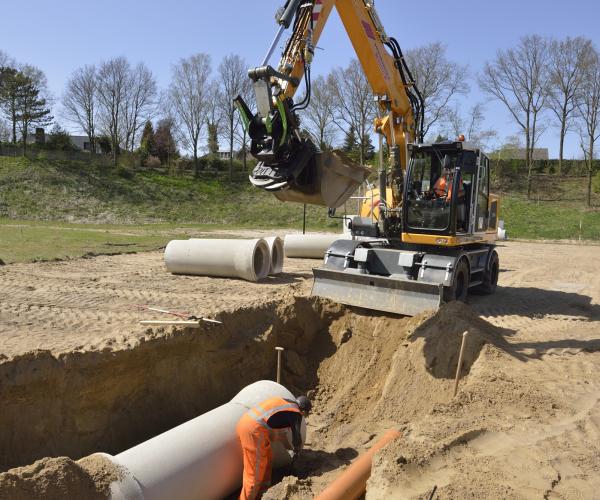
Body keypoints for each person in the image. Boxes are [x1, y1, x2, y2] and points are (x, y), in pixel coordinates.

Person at [237, 395, 311, 500]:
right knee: (255, 473)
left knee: (266, 459)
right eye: (305, 415)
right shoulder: (295, 412)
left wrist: (290, 449)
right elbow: (297, 438)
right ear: (303, 411)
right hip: (254, 430)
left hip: (247, 423)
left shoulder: (285, 405)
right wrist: (297, 449)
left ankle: (263, 493)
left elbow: (279, 435)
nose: (303, 417)